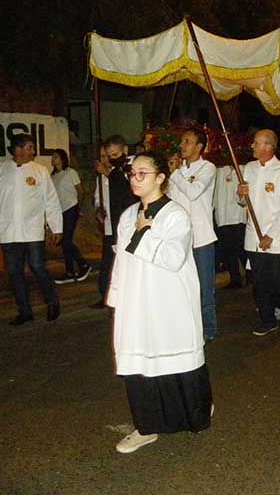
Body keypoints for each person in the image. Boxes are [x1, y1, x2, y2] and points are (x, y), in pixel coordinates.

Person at [108, 150, 213, 454]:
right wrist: (117, 295)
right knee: (140, 362)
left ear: (161, 178)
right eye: (132, 173)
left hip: (168, 302)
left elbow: (172, 258)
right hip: (136, 301)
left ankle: (196, 412)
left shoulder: (175, 214)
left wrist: (143, 233)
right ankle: (147, 427)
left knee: (176, 359)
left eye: (143, 173)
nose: (135, 179)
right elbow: (122, 259)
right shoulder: (129, 215)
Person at [0, 134, 63, 326]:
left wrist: (56, 227)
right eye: (29, 147)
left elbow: (51, 201)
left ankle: (52, 303)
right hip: (9, 232)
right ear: (17, 149)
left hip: (33, 231)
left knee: (38, 267)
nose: (33, 151)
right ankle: (25, 311)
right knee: (14, 272)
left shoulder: (40, 171)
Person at [237, 130, 280, 335]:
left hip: (276, 236)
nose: (252, 146)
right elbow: (243, 202)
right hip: (253, 234)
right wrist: (240, 195)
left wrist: (270, 235)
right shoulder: (249, 168)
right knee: (259, 281)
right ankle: (268, 319)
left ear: (269, 147)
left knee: (278, 280)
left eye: (256, 143)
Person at [167, 129, 219, 342]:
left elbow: (193, 192)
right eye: (182, 141)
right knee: (182, 288)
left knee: (205, 288)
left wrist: (175, 173)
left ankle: (208, 328)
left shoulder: (208, 168)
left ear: (199, 147)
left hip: (201, 238)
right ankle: (187, 328)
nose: (182, 145)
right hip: (179, 238)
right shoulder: (177, 171)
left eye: (187, 142)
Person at [92, 135, 137, 308]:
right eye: (107, 156)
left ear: (124, 150)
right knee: (109, 262)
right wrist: (99, 209)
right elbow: (99, 198)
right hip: (112, 223)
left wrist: (108, 174)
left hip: (129, 224)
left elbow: (129, 192)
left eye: (113, 155)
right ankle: (107, 295)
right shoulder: (110, 174)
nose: (109, 159)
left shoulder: (131, 167)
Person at [50, 149, 91, 284]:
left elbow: (80, 191)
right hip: (60, 211)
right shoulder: (53, 176)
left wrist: (78, 207)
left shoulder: (70, 172)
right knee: (64, 242)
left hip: (71, 207)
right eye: (52, 157)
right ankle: (69, 271)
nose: (53, 159)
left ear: (62, 158)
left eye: (56, 157)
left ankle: (83, 264)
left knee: (66, 240)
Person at [214, 162, 247, 289]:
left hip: (238, 217)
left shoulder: (244, 170)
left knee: (242, 250)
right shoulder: (219, 170)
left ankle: (252, 277)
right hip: (222, 217)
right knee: (228, 251)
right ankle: (235, 279)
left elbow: (245, 196)